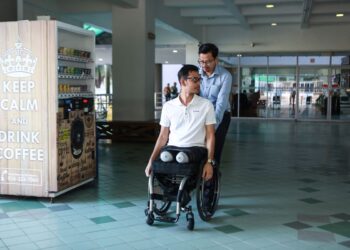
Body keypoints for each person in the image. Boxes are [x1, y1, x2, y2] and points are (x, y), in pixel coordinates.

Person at [145, 65, 216, 181]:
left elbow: (210, 135)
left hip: (196, 149)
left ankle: (182, 191)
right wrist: (150, 161)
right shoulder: (168, 106)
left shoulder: (206, 105)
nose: (199, 83)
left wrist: (209, 162)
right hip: (173, 148)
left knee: (183, 157)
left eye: (199, 79)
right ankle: (168, 192)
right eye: (194, 79)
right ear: (183, 81)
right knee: (162, 160)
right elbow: (163, 136)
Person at [198, 43, 232, 165]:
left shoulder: (225, 76)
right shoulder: (196, 74)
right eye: (201, 61)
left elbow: (221, 104)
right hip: (201, 114)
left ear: (216, 60)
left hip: (221, 115)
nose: (204, 65)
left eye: (208, 62)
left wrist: (212, 130)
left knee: (214, 151)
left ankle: (211, 179)